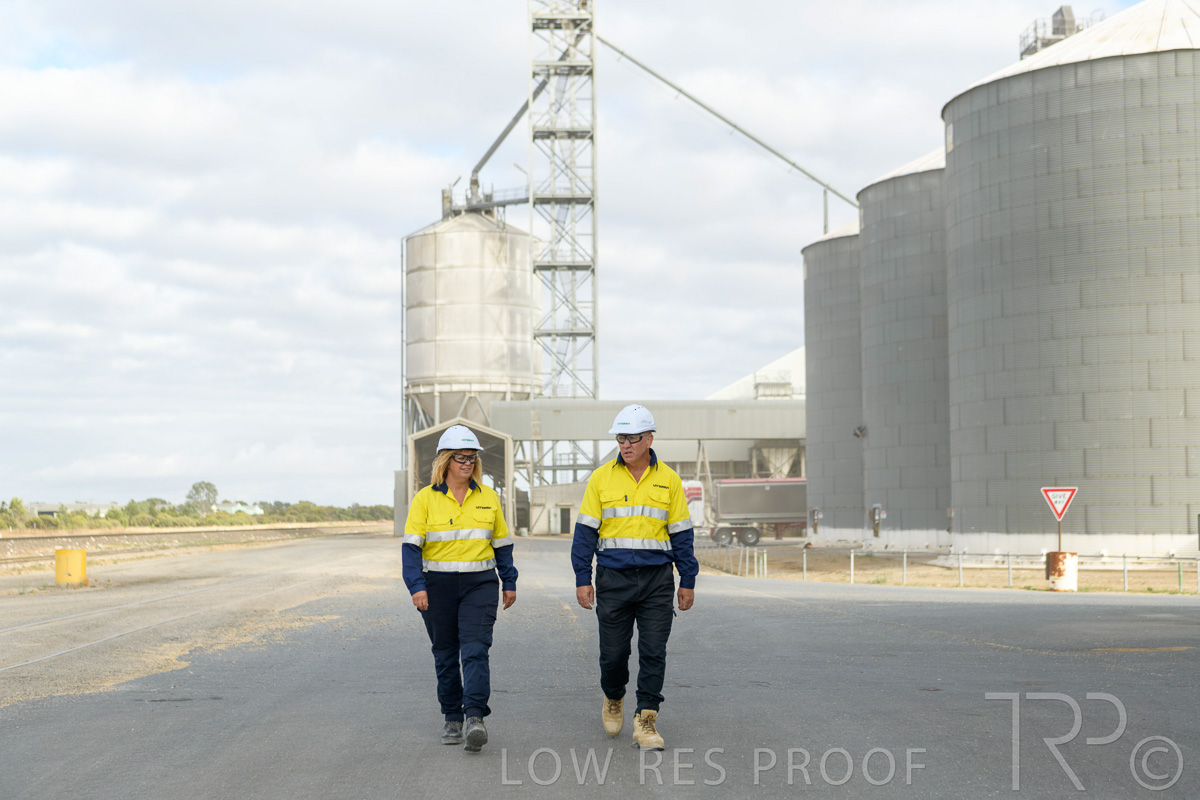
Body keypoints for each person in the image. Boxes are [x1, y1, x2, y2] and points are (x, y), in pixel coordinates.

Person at [572, 404, 698, 750]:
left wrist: (687, 579)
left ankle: (646, 720)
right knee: (613, 654)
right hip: (613, 580)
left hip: (657, 581)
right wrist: (583, 578)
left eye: (632, 438)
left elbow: (682, 534)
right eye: (621, 438)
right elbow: (585, 534)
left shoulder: (669, 480)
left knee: (654, 651)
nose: (625, 445)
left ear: (649, 439)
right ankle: (614, 696)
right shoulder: (601, 478)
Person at [402, 424, 517, 753]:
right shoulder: (425, 499)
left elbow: (502, 545)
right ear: (445, 460)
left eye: (472, 458)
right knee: (445, 654)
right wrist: (417, 587)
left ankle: (475, 718)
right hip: (436, 586)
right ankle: (452, 717)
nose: (468, 463)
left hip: (479, 584)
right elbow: (411, 549)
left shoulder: (488, 497)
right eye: (461, 458)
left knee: (476, 650)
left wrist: (509, 581)